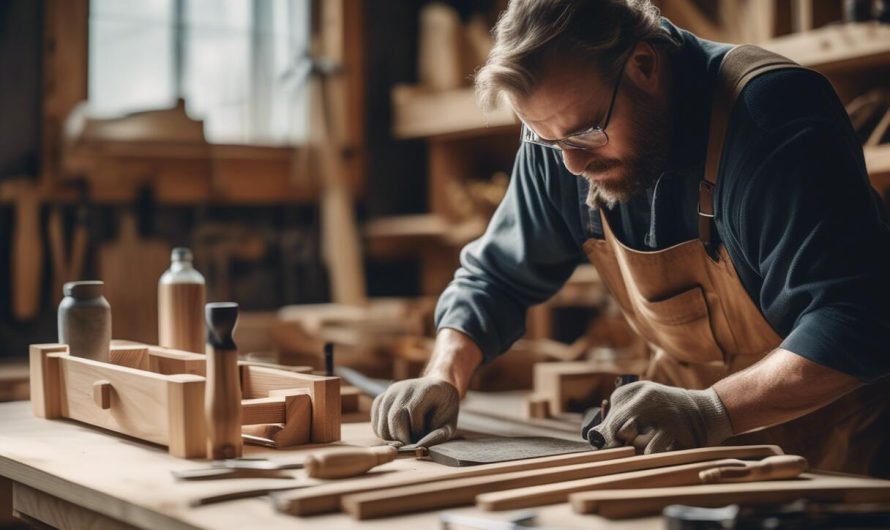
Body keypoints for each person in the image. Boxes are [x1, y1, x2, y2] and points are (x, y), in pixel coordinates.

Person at [371, 0, 890, 475]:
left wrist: (709, 409)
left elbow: (853, 319)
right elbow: (495, 276)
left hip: (836, 447)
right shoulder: (562, 136)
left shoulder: (773, 115)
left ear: (644, 64)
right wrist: (444, 374)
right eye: (546, 140)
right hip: (685, 448)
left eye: (586, 132)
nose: (572, 164)